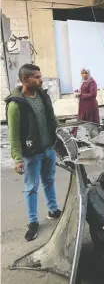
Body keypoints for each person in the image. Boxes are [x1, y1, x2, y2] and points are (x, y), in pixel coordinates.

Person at [5, 64, 61, 241]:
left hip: (48, 149)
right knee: (31, 188)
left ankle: (53, 210)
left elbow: (51, 120)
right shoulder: (15, 105)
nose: (40, 79)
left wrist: (61, 136)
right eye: (36, 77)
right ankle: (33, 222)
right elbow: (13, 135)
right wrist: (17, 158)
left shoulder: (43, 95)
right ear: (25, 80)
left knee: (49, 181)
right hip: (31, 153)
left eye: (40, 75)